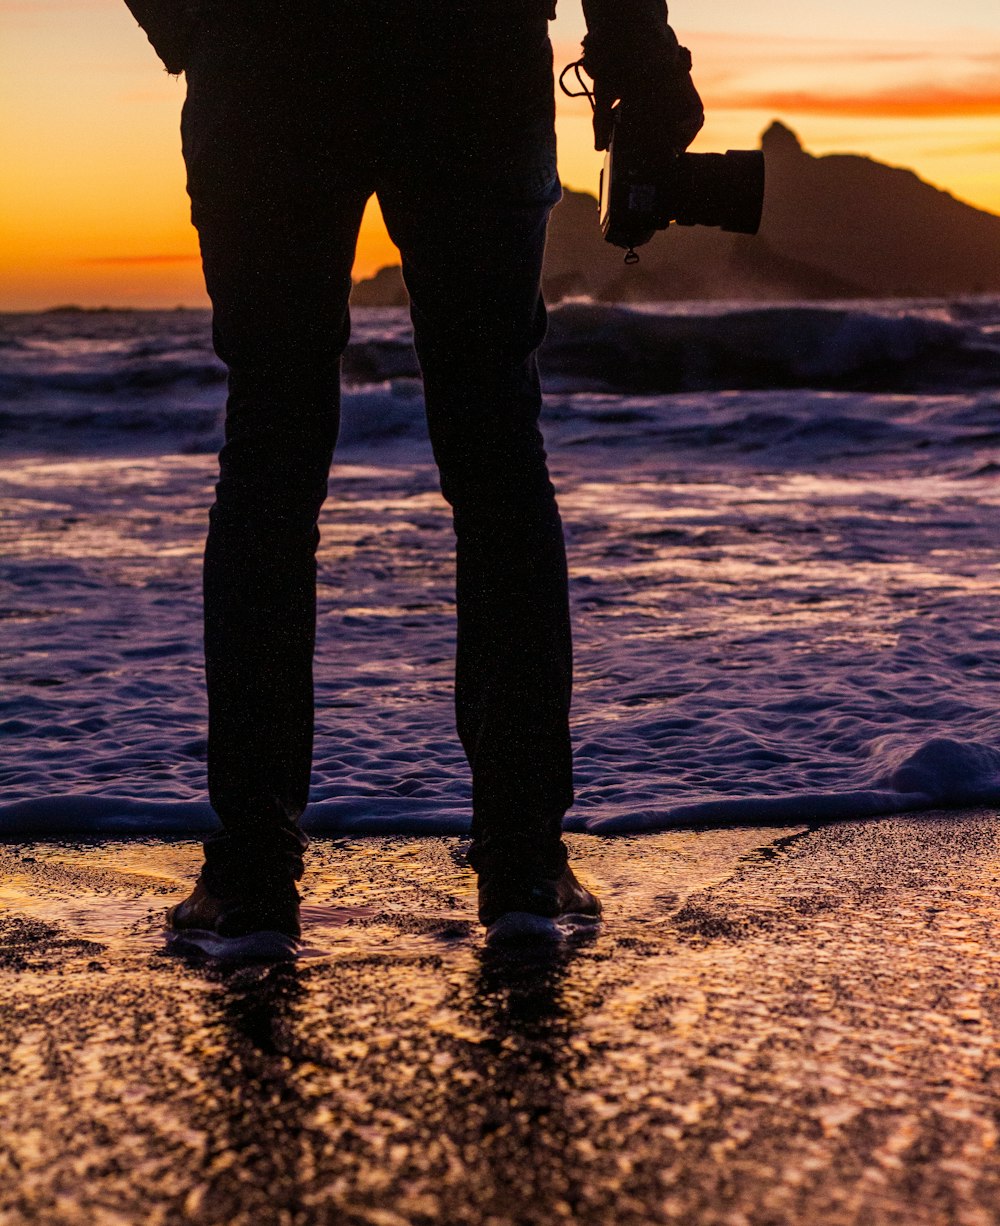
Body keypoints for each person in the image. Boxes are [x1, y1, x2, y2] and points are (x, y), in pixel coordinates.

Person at [122, 0, 703, 955]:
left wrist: (192, 26)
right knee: (497, 457)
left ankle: (255, 873)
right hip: (468, 54)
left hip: (269, 61)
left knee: (270, 454)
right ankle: (522, 861)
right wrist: (640, 50)